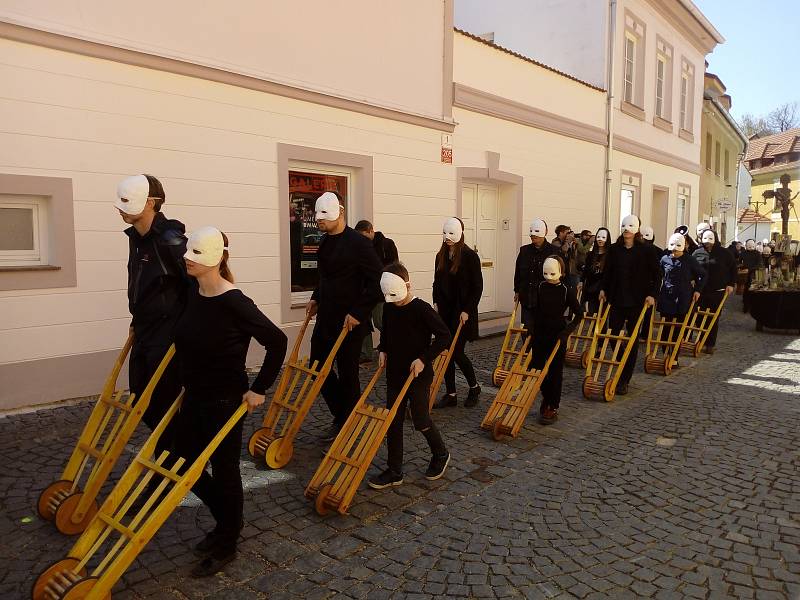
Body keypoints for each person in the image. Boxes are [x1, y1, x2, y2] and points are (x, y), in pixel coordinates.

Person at [174, 226, 288, 577]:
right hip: (194, 396)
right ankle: (227, 521)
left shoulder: (235, 302)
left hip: (226, 400)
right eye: (188, 253)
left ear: (215, 259)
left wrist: (259, 388)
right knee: (182, 464)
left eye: (195, 255)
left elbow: (277, 341)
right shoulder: (194, 293)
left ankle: (227, 540)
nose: (187, 260)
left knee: (224, 471)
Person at [116, 174, 188, 458]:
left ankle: (172, 453)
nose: (119, 208)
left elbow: (195, 282)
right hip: (144, 330)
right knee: (138, 398)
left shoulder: (170, 240)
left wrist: (185, 327)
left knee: (163, 398)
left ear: (150, 202)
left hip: (167, 332)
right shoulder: (136, 238)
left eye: (126, 201)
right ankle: (176, 444)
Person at [306, 192, 383, 441]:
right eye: (317, 217)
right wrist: (316, 297)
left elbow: (376, 282)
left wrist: (358, 313)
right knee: (316, 366)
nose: (318, 221)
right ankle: (343, 414)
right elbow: (325, 277)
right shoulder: (325, 242)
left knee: (348, 372)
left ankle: (347, 423)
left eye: (323, 216)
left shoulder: (359, 243)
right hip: (327, 317)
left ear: (340, 213)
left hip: (351, 321)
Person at [368, 263, 451, 489]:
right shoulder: (390, 307)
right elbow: (386, 331)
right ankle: (395, 471)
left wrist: (424, 359)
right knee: (392, 422)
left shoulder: (422, 309)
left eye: (396, 296)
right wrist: (382, 350)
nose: (393, 301)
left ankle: (440, 453)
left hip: (418, 375)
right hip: (395, 373)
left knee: (420, 419)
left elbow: (444, 336)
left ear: (407, 285)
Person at [598, 215, 660, 395]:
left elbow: (657, 275)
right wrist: (603, 289)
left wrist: (652, 294)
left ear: (637, 229)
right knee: (613, 335)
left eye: (630, 227)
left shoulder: (646, 251)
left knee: (632, 339)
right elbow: (607, 271)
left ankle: (624, 379)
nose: (626, 230)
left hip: (636, 301)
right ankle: (620, 360)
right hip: (617, 299)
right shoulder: (615, 250)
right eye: (624, 226)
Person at [432, 217, 483, 408]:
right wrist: (436, 301)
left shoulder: (470, 256)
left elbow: (477, 287)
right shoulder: (441, 256)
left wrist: (467, 310)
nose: (447, 238)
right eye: (444, 234)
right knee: (446, 352)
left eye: (451, 234)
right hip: (445, 312)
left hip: (462, 312)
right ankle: (451, 393)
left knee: (458, 353)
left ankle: (474, 387)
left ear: (460, 233)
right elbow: (436, 282)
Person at [531, 256, 583, 425]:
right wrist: (531, 328)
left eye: (552, 274)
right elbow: (535, 309)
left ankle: (552, 405)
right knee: (536, 368)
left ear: (560, 272)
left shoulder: (566, 290)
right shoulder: (540, 286)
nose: (548, 278)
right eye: (545, 274)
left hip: (557, 334)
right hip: (540, 333)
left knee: (554, 372)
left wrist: (567, 332)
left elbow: (579, 313)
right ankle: (546, 397)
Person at [354, 220, 399, 365]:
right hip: (364, 291)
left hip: (381, 291)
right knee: (363, 322)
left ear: (370, 231)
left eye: (363, 236)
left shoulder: (387, 244)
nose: (362, 239)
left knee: (380, 321)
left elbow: (394, 266)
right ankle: (366, 353)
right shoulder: (361, 247)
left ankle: (391, 345)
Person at [658, 233, 705, 354]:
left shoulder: (690, 260)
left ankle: (674, 356)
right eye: (672, 248)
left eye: (677, 248)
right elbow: (659, 275)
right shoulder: (664, 259)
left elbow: (703, 275)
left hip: (683, 298)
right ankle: (665, 353)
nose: (675, 252)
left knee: (678, 329)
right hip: (667, 297)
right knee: (665, 327)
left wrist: (698, 290)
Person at [692, 229, 736, 354]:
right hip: (701, 290)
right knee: (699, 317)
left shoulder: (725, 253)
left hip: (718, 290)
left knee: (713, 317)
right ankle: (700, 341)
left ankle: (710, 344)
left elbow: (733, 269)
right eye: (705, 242)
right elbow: (691, 267)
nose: (708, 245)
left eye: (710, 242)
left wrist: (731, 284)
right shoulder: (697, 253)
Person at [514, 218, 554, 338]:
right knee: (526, 329)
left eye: (536, 234)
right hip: (527, 297)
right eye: (532, 234)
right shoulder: (524, 250)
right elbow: (518, 272)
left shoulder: (553, 251)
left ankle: (540, 354)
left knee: (542, 330)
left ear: (545, 232)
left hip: (545, 300)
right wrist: (517, 290)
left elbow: (562, 275)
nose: (533, 236)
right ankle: (527, 353)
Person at [579, 227, 611, 315]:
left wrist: (604, 289)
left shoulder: (610, 255)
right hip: (591, 289)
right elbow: (586, 270)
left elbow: (609, 274)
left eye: (603, 238)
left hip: (603, 289)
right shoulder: (591, 255)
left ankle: (600, 329)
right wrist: (581, 281)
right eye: (598, 237)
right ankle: (592, 329)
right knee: (591, 313)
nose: (600, 240)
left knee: (601, 315)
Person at [552, 225, 579, 290]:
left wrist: (574, 244)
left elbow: (574, 256)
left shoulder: (568, 242)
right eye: (567, 233)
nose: (568, 235)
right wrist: (568, 241)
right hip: (560, 271)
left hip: (571, 270)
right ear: (561, 233)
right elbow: (564, 250)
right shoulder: (555, 242)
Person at [740, 239, 761, 314]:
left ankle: (748, 306)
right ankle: (747, 306)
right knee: (748, 291)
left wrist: (747, 269)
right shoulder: (755, 253)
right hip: (748, 274)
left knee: (750, 290)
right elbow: (740, 262)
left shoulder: (756, 254)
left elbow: (758, 264)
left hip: (752, 274)